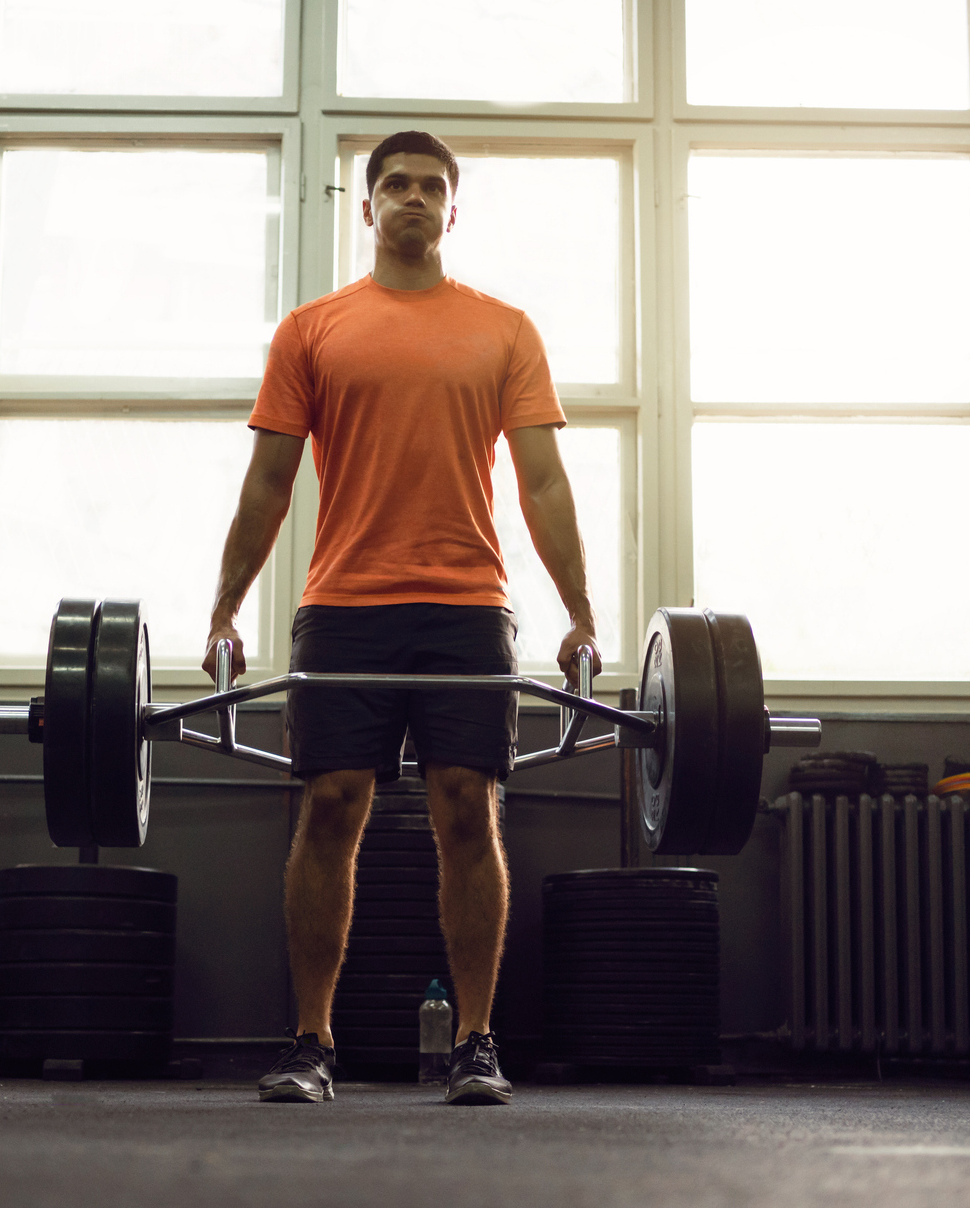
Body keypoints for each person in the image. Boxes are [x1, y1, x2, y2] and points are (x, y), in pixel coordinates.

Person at [202, 130, 599, 1106]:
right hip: (342, 604)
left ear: (450, 212)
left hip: (467, 603)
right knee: (330, 806)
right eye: (395, 185)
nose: (412, 199)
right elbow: (267, 481)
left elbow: (542, 480)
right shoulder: (312, 329)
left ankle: (473, 1040)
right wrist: (224, 603)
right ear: (367, 207)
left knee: (469, 807)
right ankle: (309, 1039)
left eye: (430, 187)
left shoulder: (504, 328)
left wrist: (581, 611)